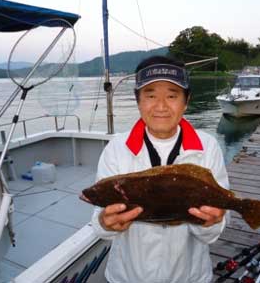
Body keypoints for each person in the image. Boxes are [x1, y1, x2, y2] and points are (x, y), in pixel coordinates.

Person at [91, 55, 230, 283]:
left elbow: (214, 231)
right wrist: (106, 224)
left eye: (172, 96)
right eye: (151, 95)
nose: (161, 106)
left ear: (186, 101)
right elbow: (100, 222)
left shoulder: (207, 147)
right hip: (127, 277)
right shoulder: (116, 149)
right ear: (138, 101)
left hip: (190, 277)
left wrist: (209, 222)